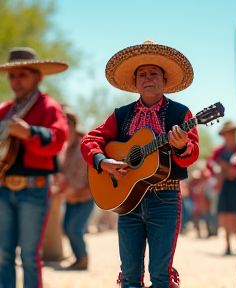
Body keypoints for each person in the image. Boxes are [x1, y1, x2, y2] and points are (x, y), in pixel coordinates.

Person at [81, 40, 200, 288]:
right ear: (135, 83)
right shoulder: (121, 115)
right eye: (142, 74)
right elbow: (90, 140)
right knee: (130, 275)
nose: (148, 78)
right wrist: (104, 162)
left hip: (165, 201)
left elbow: (192, 153)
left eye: (154, 73)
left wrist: (180, 146)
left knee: (160, 274)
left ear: (164, 80)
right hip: (128, 202)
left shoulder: (181, 114)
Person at [0, 47, 69, 288]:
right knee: (3, 255)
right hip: (3, 189)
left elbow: (58, 139)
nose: (16, 80)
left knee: (29, 256)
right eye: (12, 75)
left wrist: (29, 132)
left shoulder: (49, 106)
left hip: (34, 189)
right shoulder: (5, 109)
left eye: (22, 75)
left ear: (37, 77)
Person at [54, 104, 95, 270]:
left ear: (73, 123)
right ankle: (79, 259)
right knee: (67, 227)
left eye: (67, 121)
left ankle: (82, 260)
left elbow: (81, 177)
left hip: (85, 196)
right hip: (72, 197)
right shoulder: (66, 146)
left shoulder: (82, 145)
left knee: (74, 228)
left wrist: (61, 190)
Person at [206, 121, 236, 255]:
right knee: (224, 216)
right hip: (223, 186)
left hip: (235, 187)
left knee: (234, 217)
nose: (230, 136)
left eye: (231, 133)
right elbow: (210, 165)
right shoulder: (219, 151)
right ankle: (228, 245)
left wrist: (226, 168)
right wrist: (220, 170)